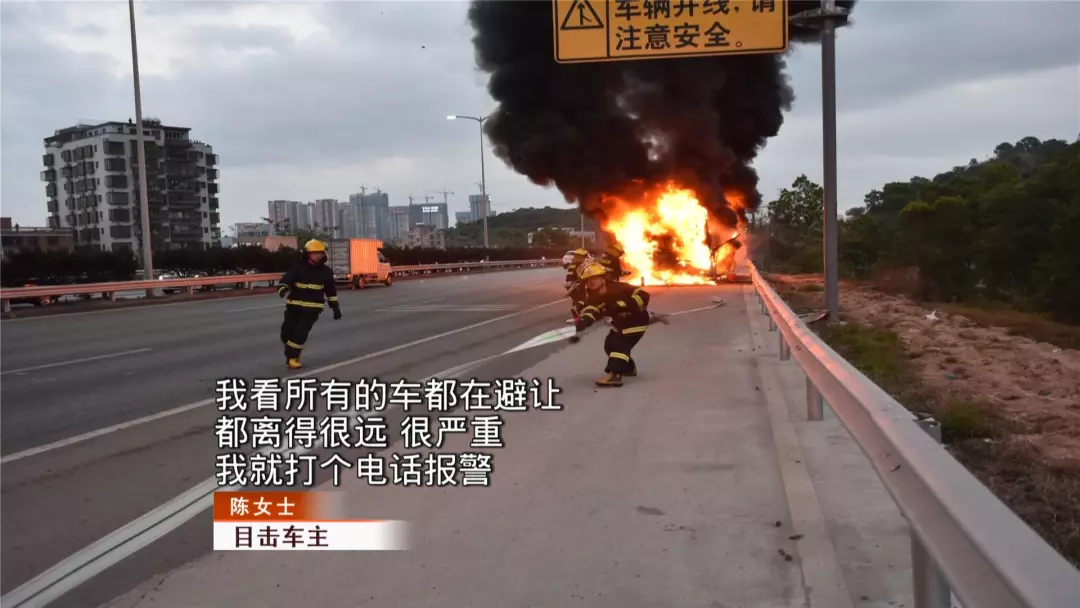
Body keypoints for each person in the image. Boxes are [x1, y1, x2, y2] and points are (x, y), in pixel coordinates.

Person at [572, 260, 651, 387]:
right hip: (621, 322)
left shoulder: (619, 287)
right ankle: (628, 368)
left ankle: (616, 375)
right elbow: (592, 309)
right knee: (609, 344)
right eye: (588, 280)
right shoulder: (593, 296)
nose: (591, 281)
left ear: (602, 278)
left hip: (637, 319)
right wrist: (585, 320)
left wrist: (623, 304)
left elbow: (644, 295)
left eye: (594, 278)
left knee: (617, 341)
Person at [277, 239, 342, 369]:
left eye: (320, 253)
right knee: (286, 332)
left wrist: (335, 307)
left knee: (301, 333)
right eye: (314, 253)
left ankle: (292, 357)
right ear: (307, 254)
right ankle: (293, 351)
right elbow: (286, 279)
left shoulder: (326, 272)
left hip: (312, 308)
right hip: (294, 306)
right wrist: (282, 288)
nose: (317, 255)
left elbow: (331, 291)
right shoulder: (298, 268)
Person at [564, 248, 591, 322]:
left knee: (576, 300)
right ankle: (578, 313)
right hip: (577, 285)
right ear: (580, 257)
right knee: (582, 300)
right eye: (583, 257)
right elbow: (583, 276)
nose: (584, 258)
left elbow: (569, 276)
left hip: (570, 285)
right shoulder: (581, 265)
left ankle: (578, 317)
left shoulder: (572, 265)